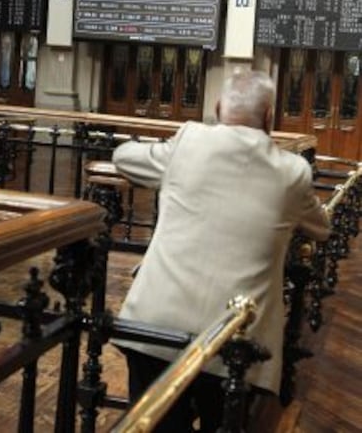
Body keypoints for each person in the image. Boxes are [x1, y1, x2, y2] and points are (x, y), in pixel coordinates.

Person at [112, 69, 330, 432]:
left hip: (155, 329)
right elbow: (321, 228)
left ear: (216, 108)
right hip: (236, 344)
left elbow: (123, 156)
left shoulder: (188, 141)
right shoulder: (293, 173)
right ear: (268, 119)